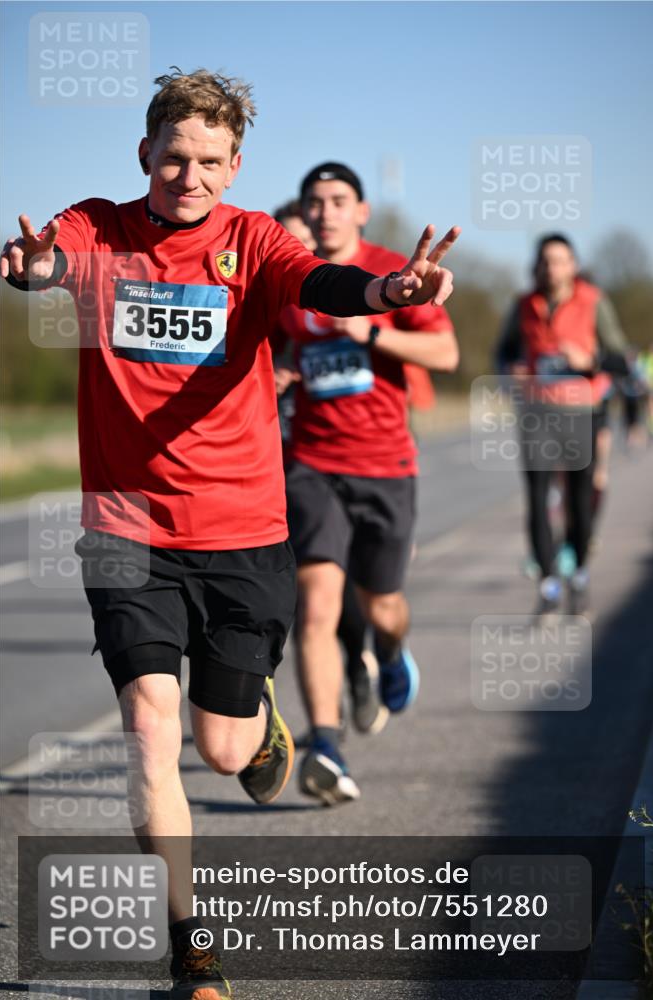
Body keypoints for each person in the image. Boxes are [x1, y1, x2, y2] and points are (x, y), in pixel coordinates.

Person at [1, 72, 459, 1000]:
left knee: (218, 748)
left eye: (209, 161)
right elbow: (49, 262)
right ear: (145, 155)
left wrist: (385, 289)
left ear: (234, 166)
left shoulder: (252, 238)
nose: (189, 176)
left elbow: (318, 280)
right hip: (126, 529)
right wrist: (32, 270)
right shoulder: (99, 226)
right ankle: (191, 950)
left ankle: (260, 730)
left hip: (243, 528)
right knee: (146, 727)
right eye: (173, 157)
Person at [271, 162, 459, 806]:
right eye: (313, 202)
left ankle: (391, 648)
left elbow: (447, 356)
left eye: (337, 200)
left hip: (386, 465)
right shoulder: (291, 276)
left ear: (361, 210)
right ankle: (324, 743)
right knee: (317, 606)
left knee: (382, 604)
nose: (324, 212)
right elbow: (262, 346)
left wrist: (373, 329)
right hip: (313, 465)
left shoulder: (394, 270)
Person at [495, 233, 629, 618]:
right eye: (544, 261)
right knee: (536, 500)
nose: (551, 268)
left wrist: (589, 359)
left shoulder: (593, 301)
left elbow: (620, 359)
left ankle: (580, 573)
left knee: (579, 503)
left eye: (559, 260)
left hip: (580, 414)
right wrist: (510, 371)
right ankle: (549, 584)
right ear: (535, 266)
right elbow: (502, 352)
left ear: (573, 265)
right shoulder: (522, 305)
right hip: (537, 413)